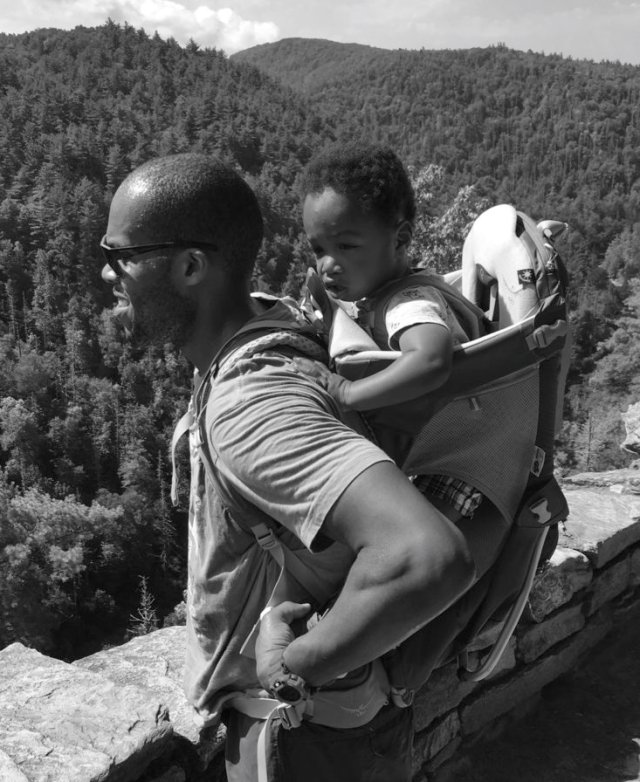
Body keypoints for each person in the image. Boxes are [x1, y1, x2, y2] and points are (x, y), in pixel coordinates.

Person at [100, 152, 476, 782]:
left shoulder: (253, 403)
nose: (106, 272)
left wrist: (291, 667)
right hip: (339, 723)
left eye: (121, 255)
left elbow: (426, 555)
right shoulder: (271, 328)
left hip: (309, 739)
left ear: (192, 266)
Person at [297, 143, 483, 522]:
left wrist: (346, 393)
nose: (327, 264)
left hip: (456, 462)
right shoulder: (381, 295)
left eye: (346, 246)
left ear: (400, 239)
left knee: (411, 553)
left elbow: (431, 360)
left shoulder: (408, 303)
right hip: (429, 450)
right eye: (319, 249)